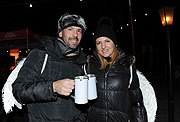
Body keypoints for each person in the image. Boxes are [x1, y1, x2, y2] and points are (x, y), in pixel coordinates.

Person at [12, 13, 88, 122]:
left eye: (79, 31)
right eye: (70, 29)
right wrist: (53, 87)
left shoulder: (82, 60)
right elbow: (19, 90)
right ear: (60, 33)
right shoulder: (41, 54)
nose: (75, 35)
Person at [87, 17, 148, 122]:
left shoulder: (127, 66)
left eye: (107, 41)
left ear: (114, 43)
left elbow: (137, 102)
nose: (103, 46)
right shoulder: (89, 66)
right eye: (98, 43)